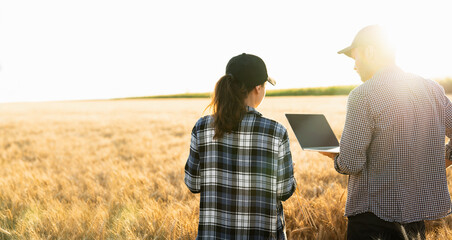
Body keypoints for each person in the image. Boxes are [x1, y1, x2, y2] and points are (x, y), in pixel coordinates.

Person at [322, 25, 452, 240]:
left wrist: (333, 155)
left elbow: (350, 164)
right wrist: (441, 160)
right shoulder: (432, 89)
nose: (354, 66)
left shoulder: (363, 95)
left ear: (370, 52)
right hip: (414, 218)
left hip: (372, 220)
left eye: (355, 58)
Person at [184, 53, 296, 239]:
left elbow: (193, 184)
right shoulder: (276, 131)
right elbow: (284, 191)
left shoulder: (202, 127)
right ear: (258, 87)